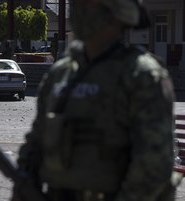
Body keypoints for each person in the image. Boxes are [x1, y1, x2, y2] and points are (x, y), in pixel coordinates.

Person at [13, 1, 176, 201]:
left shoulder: (140, 75)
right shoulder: (61, 73)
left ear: (115, 13)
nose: (77, 10)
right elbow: (36, 140)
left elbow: (155, 164)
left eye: (87, 4)